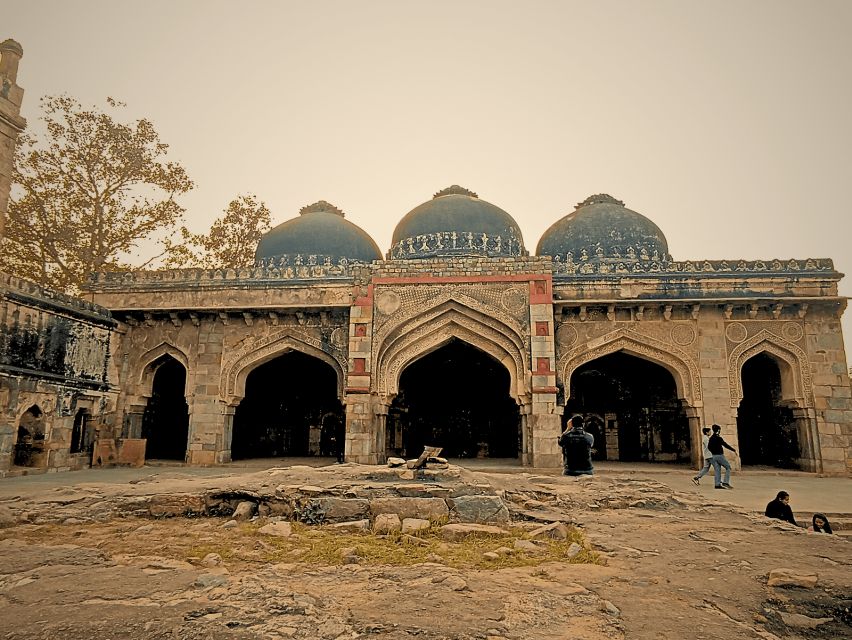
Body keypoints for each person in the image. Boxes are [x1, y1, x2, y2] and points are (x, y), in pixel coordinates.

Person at [708, 424, 736, 489]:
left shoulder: (711, 438)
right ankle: (725, 482)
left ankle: (717, 484)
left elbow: (709, 447)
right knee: (728, 467)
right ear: (718, 430)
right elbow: (725, 445)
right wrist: (733, 449)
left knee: (717, 470)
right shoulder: (719, 438)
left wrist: (713, 452)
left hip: (714, 456)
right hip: (720, 455)